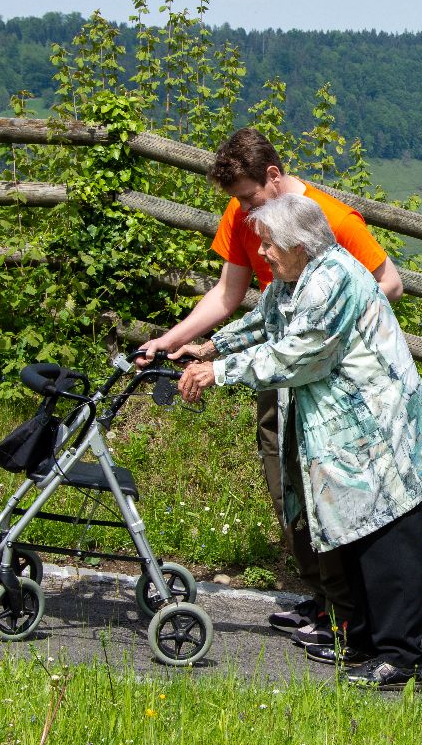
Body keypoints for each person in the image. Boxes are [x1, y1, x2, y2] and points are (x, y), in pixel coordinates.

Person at [137, 127, 403, 644]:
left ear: (274, 177)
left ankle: (349, 613)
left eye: (246, 195)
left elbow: (387, 282)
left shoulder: (333, 218)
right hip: (274, 366)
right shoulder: (243, 215)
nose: (240, 208)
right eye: (235, 199)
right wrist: (170, 342)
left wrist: (330, 337)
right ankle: (325, 599)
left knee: (327, 487)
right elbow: (228, 294)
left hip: (328, 381)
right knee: (286, 486)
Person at [176, 194, 422, 689]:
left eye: (270, 244)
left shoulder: (334, 279)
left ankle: (402, 657)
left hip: (380, 432)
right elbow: (268, 321)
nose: (264, 254)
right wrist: (214, 344)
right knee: (352, 536)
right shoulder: (294, 277)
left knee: (386, 539)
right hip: (348, 436)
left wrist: (219, 371)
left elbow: (298, 354)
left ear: (299, 244)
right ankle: (363, 639)